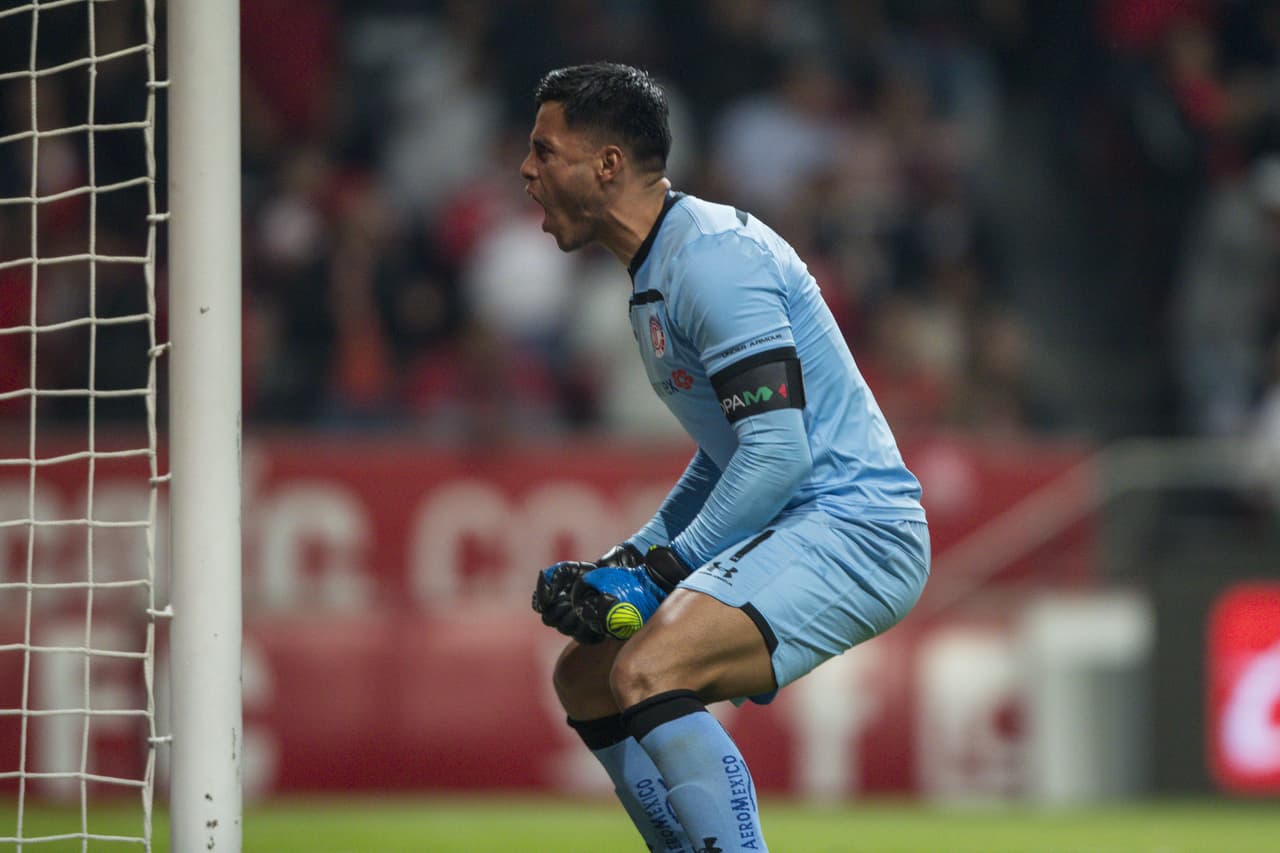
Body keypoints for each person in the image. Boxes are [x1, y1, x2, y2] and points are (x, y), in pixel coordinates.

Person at [524, 63, 929, 853]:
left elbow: (777, 454)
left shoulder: (710, 262)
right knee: (584, 674)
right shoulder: (657, 275)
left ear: (606, 165)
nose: (526, 169)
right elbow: (725, 457)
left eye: (544, 149)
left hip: (857, 526)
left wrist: (661, 571)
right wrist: (630, 555)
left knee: (649, 668)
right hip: (810, 523)